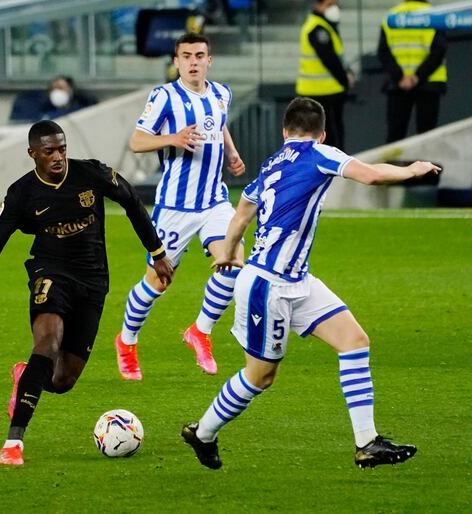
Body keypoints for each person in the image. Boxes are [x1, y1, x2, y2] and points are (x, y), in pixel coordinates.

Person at [181, 97, 438, 469]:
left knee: (354, 341)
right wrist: (412, 169)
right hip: (267, 286)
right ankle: (202, 433)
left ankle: (367, 442)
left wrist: (228, 253)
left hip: (297, 279)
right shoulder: (320, 153)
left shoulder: (270, 164)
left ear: (284, 131)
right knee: (260, 377)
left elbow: (241, 215)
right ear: (322, 133)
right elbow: (371, 175)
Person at [0, 120, 174, 466]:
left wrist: (157, 254)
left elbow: (131, 201)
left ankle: (26, 375)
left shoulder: (91, 175)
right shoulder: (22, 193)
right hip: (49, 272)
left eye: (62, 149)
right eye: (49, 151)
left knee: (64, 378)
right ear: (32, 153)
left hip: (94, 279)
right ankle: (13, 443)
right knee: (47, 343)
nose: (58, 157)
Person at [114, 32, 245, 381]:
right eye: (186, 56)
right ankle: (126, 341)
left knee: (233, 264)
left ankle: (200, 331)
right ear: (176, 62)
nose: (193, 62)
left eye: (199, 55)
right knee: (158, 281)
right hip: (176, 204)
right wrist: (172, 138)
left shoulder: (221, 93)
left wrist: (231, 151)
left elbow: (219, 122)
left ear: (209, 60)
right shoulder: (164, 97)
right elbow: (137, 141)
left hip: (215, 199)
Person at [378, 0, 447, 143]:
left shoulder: (392, 15)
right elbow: (438, 51)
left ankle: (394, 166)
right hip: (429, 83)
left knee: (395, 137)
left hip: (398, 85)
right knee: (428, 136)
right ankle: (428, 166)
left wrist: (400, 78)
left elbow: (383, 52)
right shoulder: (434, 15)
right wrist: (416, 77)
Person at [295, 0, 355, 149]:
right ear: (318, 5)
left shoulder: (325, 26)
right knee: (328, 139)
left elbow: (338, 56)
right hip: (322, 92)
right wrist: (345, 80)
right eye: (329, 5)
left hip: (321, 92)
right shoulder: (317, 28)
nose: (334, 8)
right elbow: (330, 59)